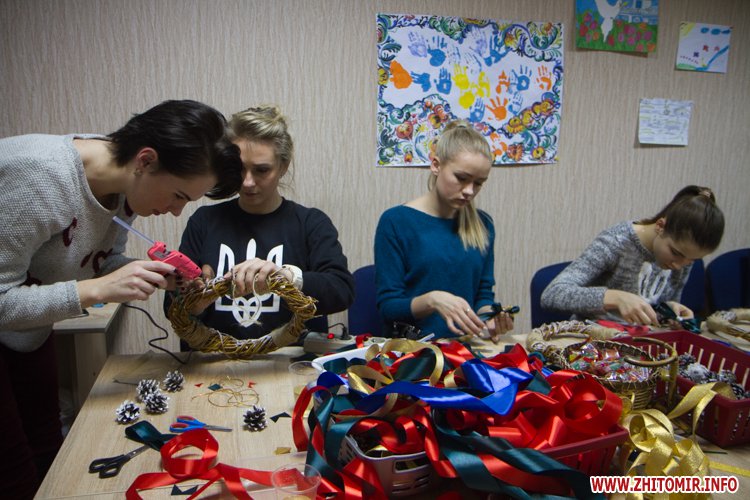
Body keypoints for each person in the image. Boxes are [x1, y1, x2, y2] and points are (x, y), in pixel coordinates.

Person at [0, 99, 242, 499]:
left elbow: (96, 259)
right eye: (178, 196)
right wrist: (96, 290)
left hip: (26, 333)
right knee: (13, 473)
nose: (176, 212)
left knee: (48, 450)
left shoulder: (121, 186)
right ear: (146, 160)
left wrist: (151, 274)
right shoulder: (39, 177)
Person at [166, 105, 354, 340]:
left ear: (283, 166)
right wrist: (194, 302)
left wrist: (288, 277)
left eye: (262, 170)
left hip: (291, 357)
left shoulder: (310, 223)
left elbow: (342, 291)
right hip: (212, 357)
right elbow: (171, 306)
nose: (247, 182)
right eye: (238, 168)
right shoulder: (204, 221)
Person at [374, 120, 514, 341]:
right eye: (461, 178)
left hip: (465, 347)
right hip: (412, 350)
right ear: (436, 165)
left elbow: (483, 295)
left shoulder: (483, 224)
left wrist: (489, 320)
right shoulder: (396, 222)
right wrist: (432, 300)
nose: (469, 191)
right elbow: (389, 307)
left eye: (479, 183)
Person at [541, 185, 725, 326]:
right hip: (595, 341)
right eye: (675, 253)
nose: (679, 265)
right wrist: (615, 298)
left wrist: (669, 311)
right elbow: (553, 294)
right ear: (660, 226)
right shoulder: (617, 241)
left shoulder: (683, 257)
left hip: (641, 343)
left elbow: (661, 305)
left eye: (691, 260)